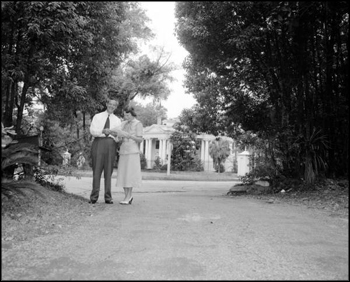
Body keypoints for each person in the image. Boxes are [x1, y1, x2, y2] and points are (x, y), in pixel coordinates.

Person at [89, 98, 121, 204]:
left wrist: (116, 134)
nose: (111, 106)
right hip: (99, 142)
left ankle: (108, 197)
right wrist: (102, 130)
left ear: (116, 107)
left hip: (111, 144)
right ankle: (94, 196)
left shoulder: (117, 120)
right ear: (106, 104)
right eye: (110, 104)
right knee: (97, 170)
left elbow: (119, 136)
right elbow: (92, 131)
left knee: (108, 171)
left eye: (114, 105)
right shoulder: (97, 116)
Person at [110, 106, 143, 205]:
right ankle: (127, 196)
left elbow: (140, 139)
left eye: (128, 115)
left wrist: (130, 136)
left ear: (132, 114)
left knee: (130, 174)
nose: (126, 117)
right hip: (123, 150)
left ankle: (129, 196)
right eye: (125, 115)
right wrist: (117, 137)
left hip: (132, 151)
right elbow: (119, 137)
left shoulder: (138, 124)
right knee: (123, 174)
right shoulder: (123, 123)